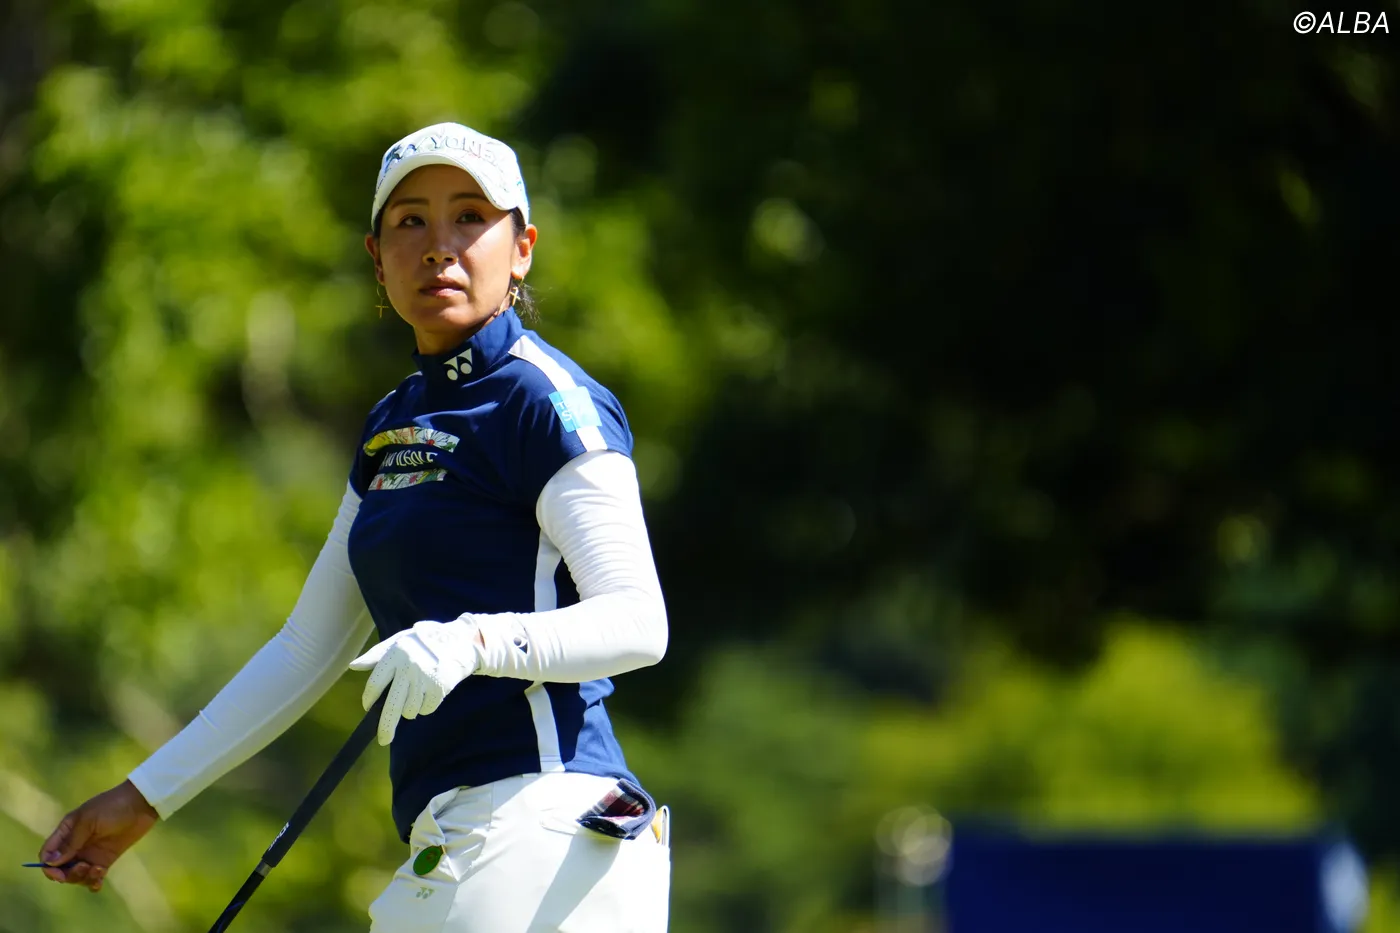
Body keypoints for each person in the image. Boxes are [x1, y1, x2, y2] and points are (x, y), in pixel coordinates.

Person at [37, 122, 672, 932]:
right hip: (454, 835)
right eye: (410, 221)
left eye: (469, 217)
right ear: (377, 257)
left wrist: (471, 641)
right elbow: (308, 645)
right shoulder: (392, 424)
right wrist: (143, 798)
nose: (438, 245)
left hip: (548, 825)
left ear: (522, 249)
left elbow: (638, 621)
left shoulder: (545, 399)